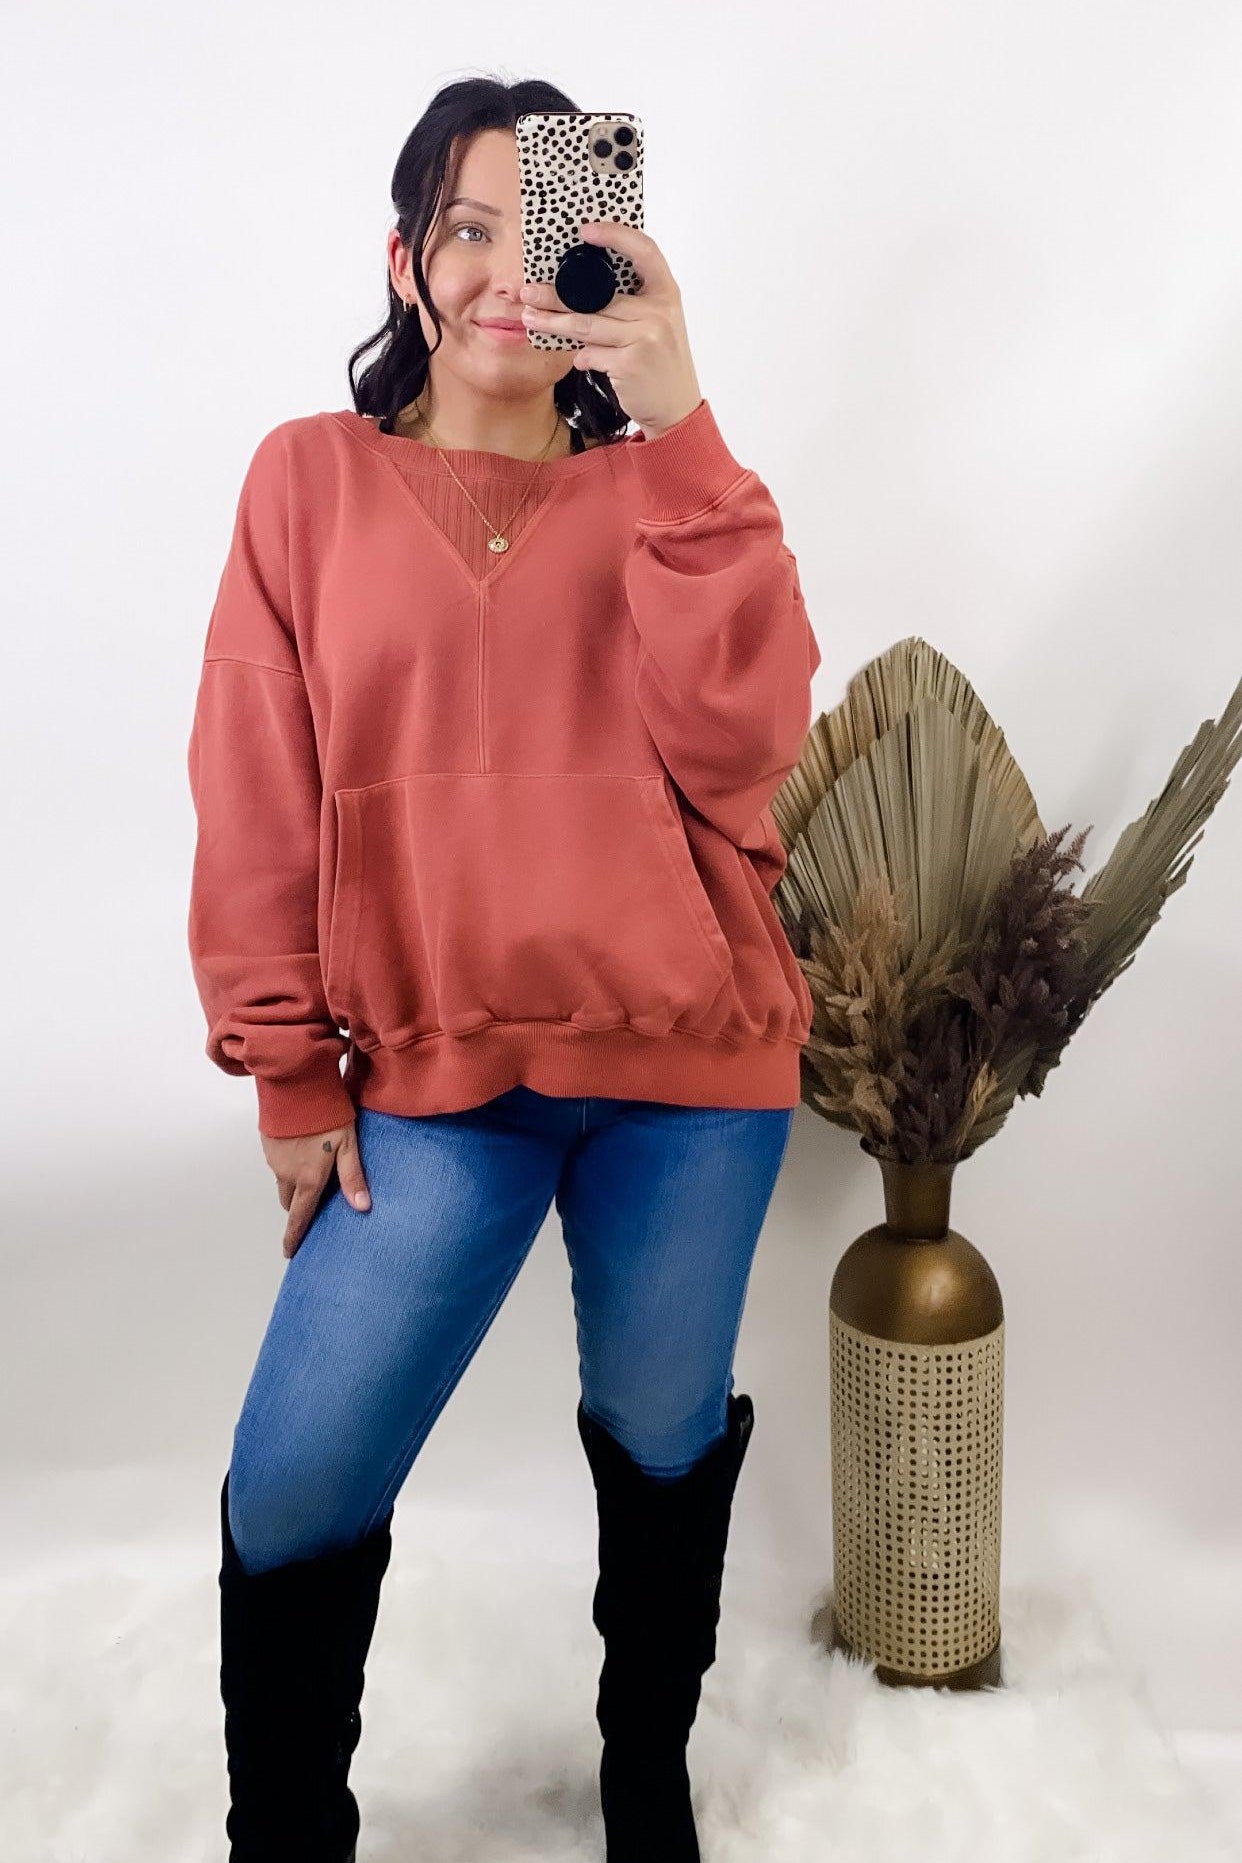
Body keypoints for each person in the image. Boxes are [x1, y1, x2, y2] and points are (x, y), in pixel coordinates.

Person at [186, 71, 821, 1863]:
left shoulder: (667, 495)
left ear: (600, 263)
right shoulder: (306, 482)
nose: (500, 271)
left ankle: (645, 1772)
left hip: (687, 1074)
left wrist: (681, 425)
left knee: (659, 1431)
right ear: (404, 262)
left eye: (540, 232)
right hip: (435, 1081)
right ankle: (284, 1832)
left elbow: (750, 753)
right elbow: (252, 782)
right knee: (294, 1481)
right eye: (464, 228)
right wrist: (286, 1064)